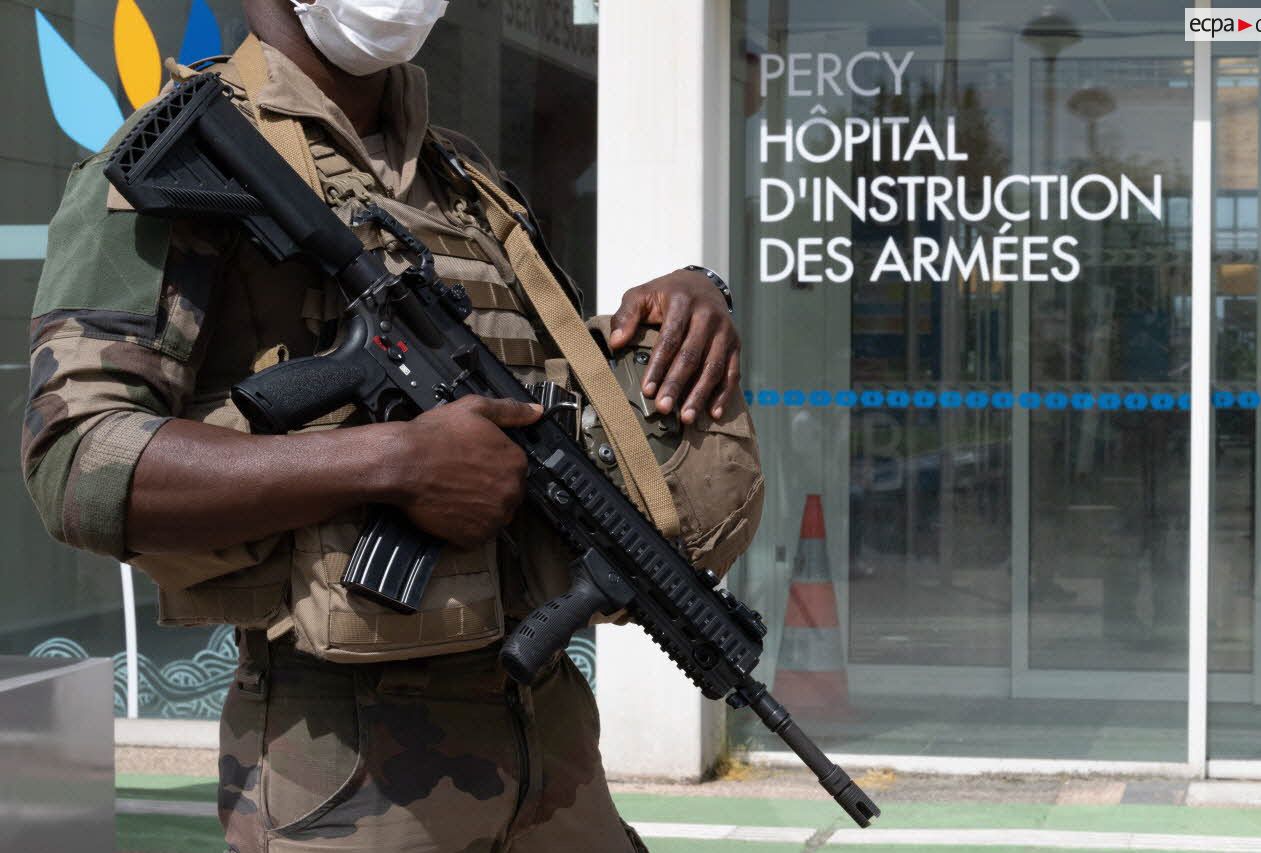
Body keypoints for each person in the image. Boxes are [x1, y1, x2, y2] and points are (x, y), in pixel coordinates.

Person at [22, 1, 751, 851]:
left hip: (553, 754)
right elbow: (75, 460)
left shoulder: (467, 179)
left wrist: (689, 296)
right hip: (345, 769)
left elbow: (528, 399)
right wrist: (390, 461)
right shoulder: (186, 152)